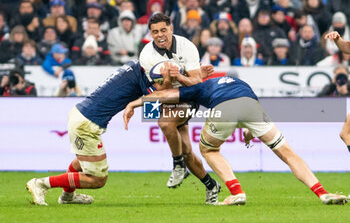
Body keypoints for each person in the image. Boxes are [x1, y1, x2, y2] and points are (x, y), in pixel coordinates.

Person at [123, 73, 349, 206]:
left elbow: (164, 95)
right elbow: (250, 112)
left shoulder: (201, 87)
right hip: (252, 106)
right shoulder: (239, 82)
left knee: (209, 150)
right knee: (287, 153)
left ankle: (236, 192)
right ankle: (322, 192)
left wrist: (134, 103)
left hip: (224, 109)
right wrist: (249, 132)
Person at [25, 60, 217, 206]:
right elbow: (160, 96)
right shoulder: (144, 78)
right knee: (98, 179)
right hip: (86, 123)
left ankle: (67, 196)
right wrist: (176, 81)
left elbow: (156, 99)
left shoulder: (134, 67)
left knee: (81, 162)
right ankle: (41, 183)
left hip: (82, 115)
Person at [139, 13, 221, 201]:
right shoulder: (146, 55)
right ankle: (211, 185)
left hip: (189, 96)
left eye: (163, 30)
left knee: (166, 123)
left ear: (171, 28)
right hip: (166, 96)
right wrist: (169, 78)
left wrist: (180, 76)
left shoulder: (187, 46)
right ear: (150, 33)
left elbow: (196, 82)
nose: (159, 35)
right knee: (186, 151)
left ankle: (177, 166)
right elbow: (161, 90)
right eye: (154, 32)